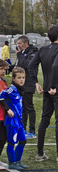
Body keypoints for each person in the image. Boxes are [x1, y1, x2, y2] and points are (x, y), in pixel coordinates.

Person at [28, 25, 58, 162]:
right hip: (55, 90)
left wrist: (37, 83)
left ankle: (40, 153)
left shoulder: (43, 49)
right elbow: (55, 66)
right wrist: (53, 86)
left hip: (46, 90)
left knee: (44, 120)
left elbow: (31, 66)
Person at [0, 67, 28, 170]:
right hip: (11, 121)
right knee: (12, 142)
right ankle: (12, 163)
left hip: (19, 121)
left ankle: (18, 161)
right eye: (19, 77)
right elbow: (0, 97)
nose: (21, 80)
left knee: (23, 141)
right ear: (13, 79)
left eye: (23, 77)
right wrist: (7, 109)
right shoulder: (12, 89)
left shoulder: (20, 89)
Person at [15, 36, 38, 139]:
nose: (18, 45)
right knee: (22, 108)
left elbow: (28, 65)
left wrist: (19, 54)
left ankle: (32, 131)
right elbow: (20, 65)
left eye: (20, 43)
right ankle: (23, 128)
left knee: (29, 108)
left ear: (26, 43)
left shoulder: (33, 52)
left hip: (29, 83)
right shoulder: (23, 53)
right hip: (21, 84)